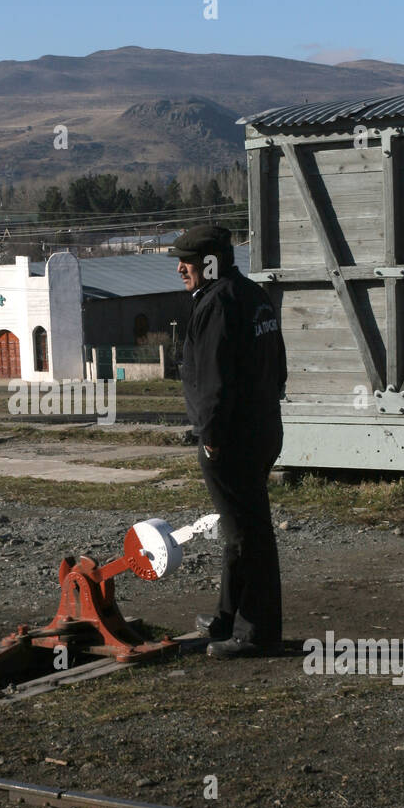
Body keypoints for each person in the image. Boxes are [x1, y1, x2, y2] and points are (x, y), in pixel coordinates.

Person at [172, 225, 287, 659]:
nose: (181, 269)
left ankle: (257, 632)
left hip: (231, 438)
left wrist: (213, 436)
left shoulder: (218, 303)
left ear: (211, 262)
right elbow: (279, 367)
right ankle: (228, 617)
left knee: (248, 535)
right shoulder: (254, 296)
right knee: (237, 530)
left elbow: (214, 380)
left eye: (188, 261)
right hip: (262, 428)